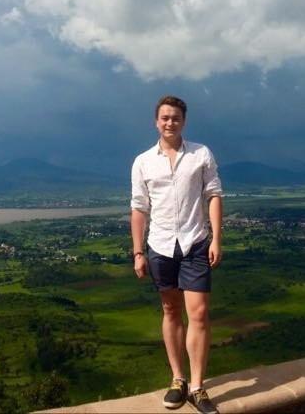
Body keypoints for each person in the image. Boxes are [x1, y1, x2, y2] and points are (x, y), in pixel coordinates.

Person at [131, 95, 223, 414]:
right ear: (156, 121)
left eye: (176, 117)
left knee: (198, 313)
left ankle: (197, 386)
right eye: (165, 117)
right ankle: (177, 379)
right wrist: (138, 251)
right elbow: (139, 208)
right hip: (160, 245)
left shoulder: (201, 154)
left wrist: (216, 239)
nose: (170, 122)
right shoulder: (143, 161)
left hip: (195, 243)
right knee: (171, 310)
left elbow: (213, 195)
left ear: (184, 121)